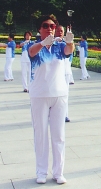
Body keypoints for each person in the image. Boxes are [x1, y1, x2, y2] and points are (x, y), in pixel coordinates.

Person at [28, 15, 74, 184]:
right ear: (39, 29)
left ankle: (58, 172)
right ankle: (41, 172)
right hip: (39, 95)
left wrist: (69, 41)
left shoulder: (59, 46)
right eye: (45, 26)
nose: (49, 28)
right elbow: (32, 52)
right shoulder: (33, 46)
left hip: (59, 95)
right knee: (40, 135)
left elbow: (69, 51)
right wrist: (43, 43)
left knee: (59, 135)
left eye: (52, 26)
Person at [55, 25, 73, 122]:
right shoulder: (51, 43)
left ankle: (65, 114)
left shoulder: (67, 43)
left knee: (65, 94)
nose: (60, 32)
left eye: (61, 31)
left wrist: (69, 42)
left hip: (65, 72)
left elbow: (70, 51)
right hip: (55, 73)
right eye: (58, 30)